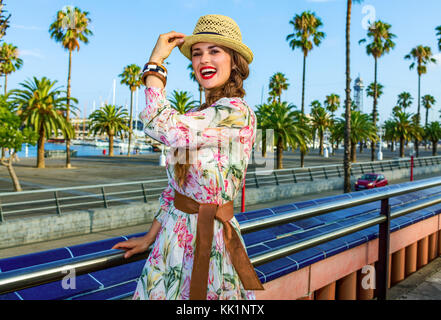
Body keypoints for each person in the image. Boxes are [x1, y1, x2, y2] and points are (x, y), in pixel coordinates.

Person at [112, 14, 263, 300]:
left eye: (214, 51)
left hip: (213, 242)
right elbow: (175, 191)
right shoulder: (197, 117)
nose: (204, 59)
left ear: (234, 61)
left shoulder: (236, 113)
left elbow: (159, 122)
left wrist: (156, 62)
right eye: (197, 53)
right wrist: (149, 237)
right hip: (172, 245)